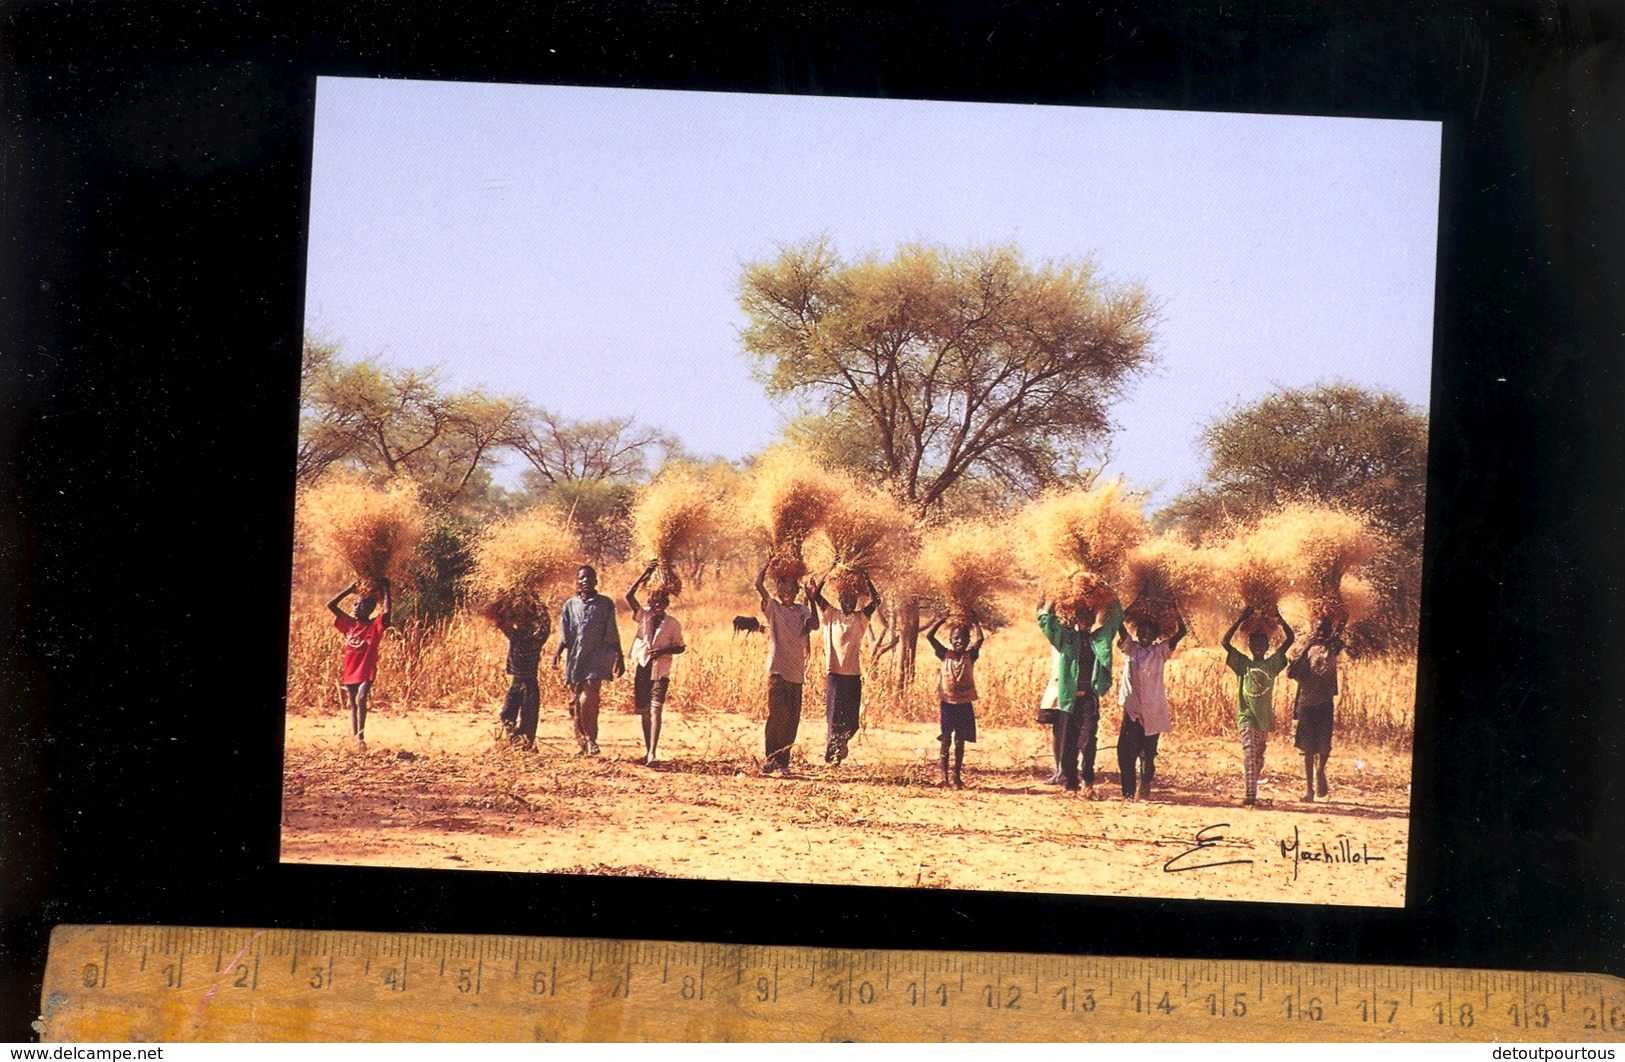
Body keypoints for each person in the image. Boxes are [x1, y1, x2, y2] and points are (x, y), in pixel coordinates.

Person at [1038, 591, 1124, 796]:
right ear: (1076, 619)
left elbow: (1116, 618)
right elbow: (1045, 622)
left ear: (1094, 618)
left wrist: (1107, 592)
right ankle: (1071, 782)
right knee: (1068, 744)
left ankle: (1088, 781)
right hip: (1068, 699)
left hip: (1089, 699)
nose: (1085, 621)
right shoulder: (1066, 640)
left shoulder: (1100, 639)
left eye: (1088, 617)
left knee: (1088, 742)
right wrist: (1053, 595)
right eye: (1081, 617)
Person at [1222, 606, 1295, 807]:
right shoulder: (1243, 664)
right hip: (1246, 716)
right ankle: (1250, 795)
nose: (1258, 647)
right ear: (1250, 645)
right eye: (1254, 643)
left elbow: (1290, 640)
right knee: (1249, 753)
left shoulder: (1272, 664)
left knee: (1258, 758)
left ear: (1267, 646)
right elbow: (1224, 642)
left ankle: (1252, 784)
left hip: (1264, 720)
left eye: (1262, 643)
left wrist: (1279, 618)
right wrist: (1239, 619)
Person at [809, 566, 880, 766]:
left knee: (852, 722)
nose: (848, 602)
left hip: (853, 675)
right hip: (834, 674)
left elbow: (878, 601)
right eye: (844, 598)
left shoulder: (860, 619)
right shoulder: (831, 615)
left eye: (851, 599)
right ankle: (832, 755)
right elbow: (817, 595)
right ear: (839, 599)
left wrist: (866, 578)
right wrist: (832, 567)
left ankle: (842, 743)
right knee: (833, 718)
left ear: (856, 601)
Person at [1115, 611, 1187, 800]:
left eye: (1150, 633)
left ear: (1156, 636)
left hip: (1153, 710)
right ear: (1137, 633)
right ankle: (1128, 793)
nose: (1145, 636)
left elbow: (1183, 631)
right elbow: (1118, 626)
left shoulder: (1160, 652)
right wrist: (1123, 610)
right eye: (1142, 632)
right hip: (1132, 709)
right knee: (1125, 751)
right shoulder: (1131, 648)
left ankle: (1145, 782)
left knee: (1148, 753)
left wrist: (1175, 609)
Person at [552, 565, 623, 756]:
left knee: (588, 698)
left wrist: (620, 657)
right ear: (577, 581)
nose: (585, 581)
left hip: (597, 657)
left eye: (589, 578)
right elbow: (565, 635)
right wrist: (557, 653)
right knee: (575, 702)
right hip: (576, 659)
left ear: (596, 582)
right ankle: (581, 743)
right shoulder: (570, 605)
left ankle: (592, 739)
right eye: (581, 578)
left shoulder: (605, 604)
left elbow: (612, 632)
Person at [755, 563, 817, 776]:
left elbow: (814, 626)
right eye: (782, 590)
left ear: (797, 591)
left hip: (797, 674)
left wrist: (814, 599)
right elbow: (758, 584)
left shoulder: (803, 611)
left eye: (791, 590)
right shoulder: (773, 609)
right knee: (776, 717)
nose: (786, 593)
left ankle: (784, 763)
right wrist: (770, 562)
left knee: (791, 720)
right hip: (778, 671)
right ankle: (770, 759)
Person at [626, 560, 686, 766]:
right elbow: (628, 595)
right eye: (653, 598)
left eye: (661, 600)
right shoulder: (643, 615)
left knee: (655, 709)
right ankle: (647, 749)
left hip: (660, 670)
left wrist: (662, 650)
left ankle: (652, 752)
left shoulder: (672, 624)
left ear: (667, 603)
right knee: (644, 711)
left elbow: (680, 647)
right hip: (643, 667)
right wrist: (645, 573)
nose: (656, 603)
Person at [326, 579, 392, 750]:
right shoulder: (350, 624)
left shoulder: (374, 625)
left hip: (366, 669)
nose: (356, 608)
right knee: (353, 704)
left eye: (361, 606)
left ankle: (360, 736)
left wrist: (386, 590)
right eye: (355, 604)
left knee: (361, 698)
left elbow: (387, 612)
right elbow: (331, 605)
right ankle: (357, 739)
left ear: (370, 609)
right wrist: (350, 590)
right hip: (350, 669)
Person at [1289, 615, 1347, 802]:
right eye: (1318, 629)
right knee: (1307, 749)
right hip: (1306, 704)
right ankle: (1309, 790)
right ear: (1313, 629)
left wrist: (1339, 611)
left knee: (1324, 746)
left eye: (1325, 630)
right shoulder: (1304, 649)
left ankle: (1320, 770)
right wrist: (1307, 646)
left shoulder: (1333, 647)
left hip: (1325, 703)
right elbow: (1291, 673)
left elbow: (1341, 628)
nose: (1321, 633)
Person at [926, 614, 984, 788]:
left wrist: (975, 622)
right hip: (948, 703)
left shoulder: (970, 655)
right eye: (956, 638)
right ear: (950, 640)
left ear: (968, 641)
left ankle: (956, 777)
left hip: (964, 704)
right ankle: (944, 777)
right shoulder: (944, 654)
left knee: (960, 740)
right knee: (945, 739)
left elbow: (980, 638)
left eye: (963, 638)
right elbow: (929, 636)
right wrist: (942, 619)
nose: (960, 641)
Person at [496, 594, 550, 749]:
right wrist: (507, 598)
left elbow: (546, 625)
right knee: (507, 713)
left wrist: (538, 604)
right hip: (516, 681)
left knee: (529, 716)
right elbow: (501, 620)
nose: (523, 622)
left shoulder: (537, 637)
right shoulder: (515, 635)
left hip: (530, 682)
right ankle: (513, 739)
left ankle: (526, 743)